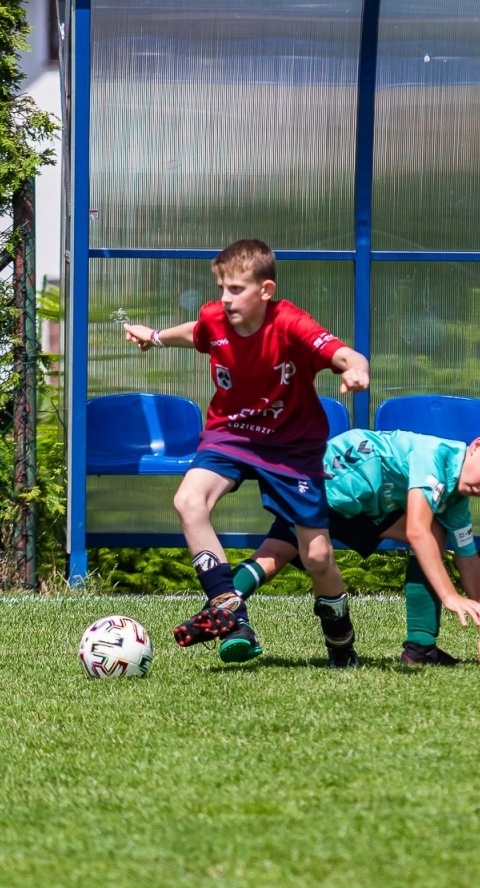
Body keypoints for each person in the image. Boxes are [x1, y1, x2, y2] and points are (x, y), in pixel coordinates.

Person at [122, 239, 371, 666]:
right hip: (230, 434)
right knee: (188, 500)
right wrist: (156, 337)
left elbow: (344, 353)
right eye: (222, 288)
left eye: (236, 289)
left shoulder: (291, 324)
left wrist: (357, 370)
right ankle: (230, 611)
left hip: (292, 446)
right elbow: (198, 334)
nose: (225, 299)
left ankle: (340, 640)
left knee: (317, 556)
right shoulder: (215, 318)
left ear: (266, 290)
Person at [232, 427, 480, 666]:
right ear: (478, 446)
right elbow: (415, 531)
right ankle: (222, 604)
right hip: (331, 482)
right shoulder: (435, 456)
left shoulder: (456, 496)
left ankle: (420, 649)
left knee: (437, 531)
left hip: (364, 505)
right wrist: (449, 596)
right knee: (275, 555)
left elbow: (469, 561)